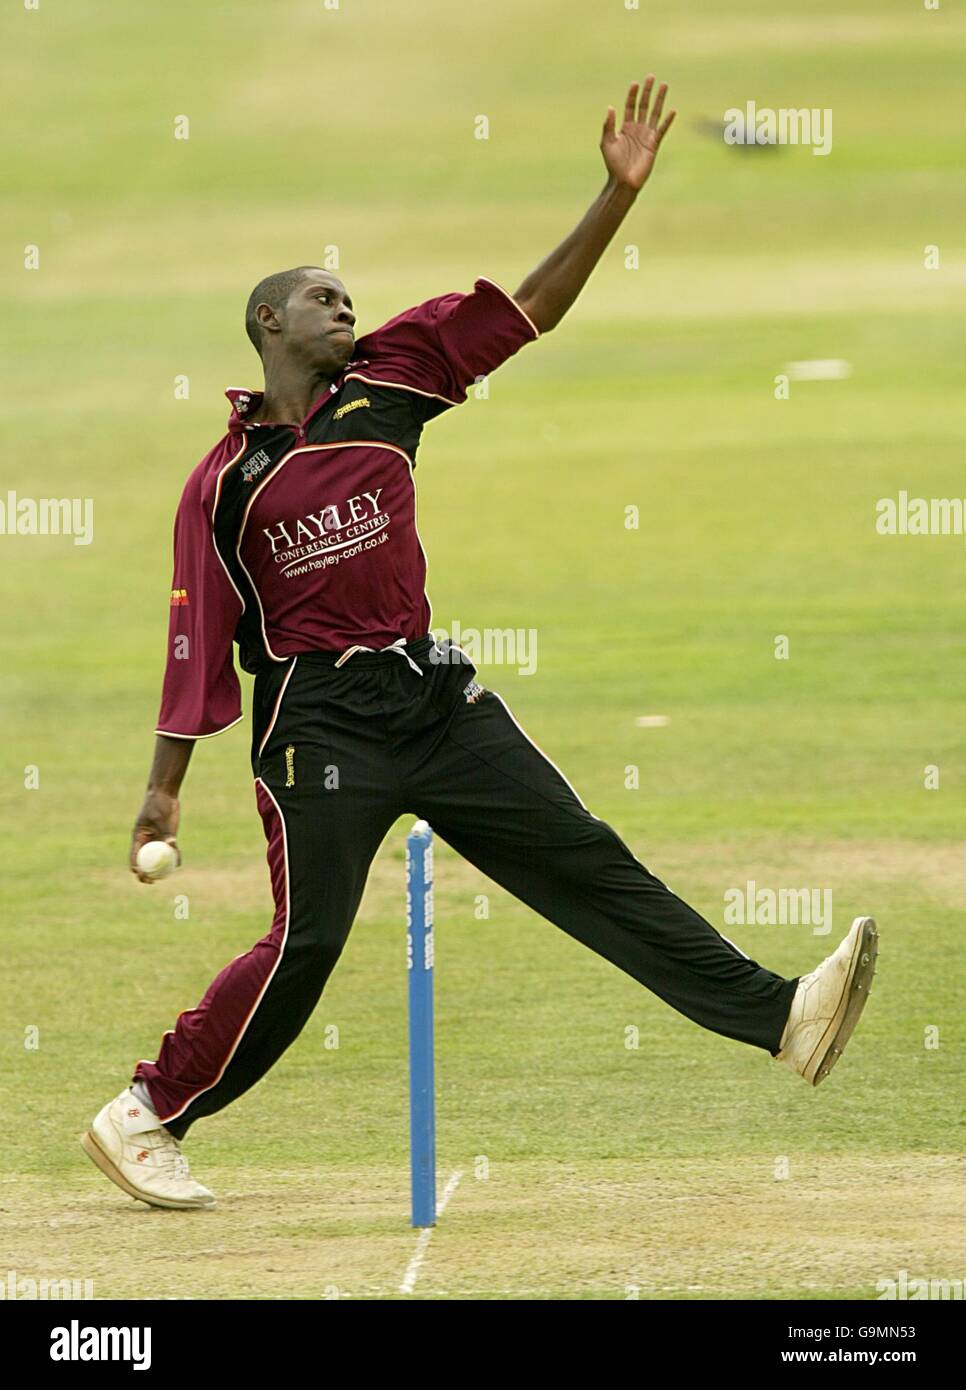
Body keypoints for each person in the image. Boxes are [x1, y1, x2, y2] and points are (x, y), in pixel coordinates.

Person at [81, 79, 877, 1211]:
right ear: (267, 326)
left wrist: (616, 194)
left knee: (585, 859)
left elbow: (529, 307)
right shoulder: (225, 483)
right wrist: (163, 791)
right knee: (307, 943)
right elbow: (196, 638)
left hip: (431, 699)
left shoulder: (392, 378)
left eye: (347, 295)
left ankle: (782, 1016)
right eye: (319, 298)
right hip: (316, 726)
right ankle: (146, 1111)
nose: (342, 306)